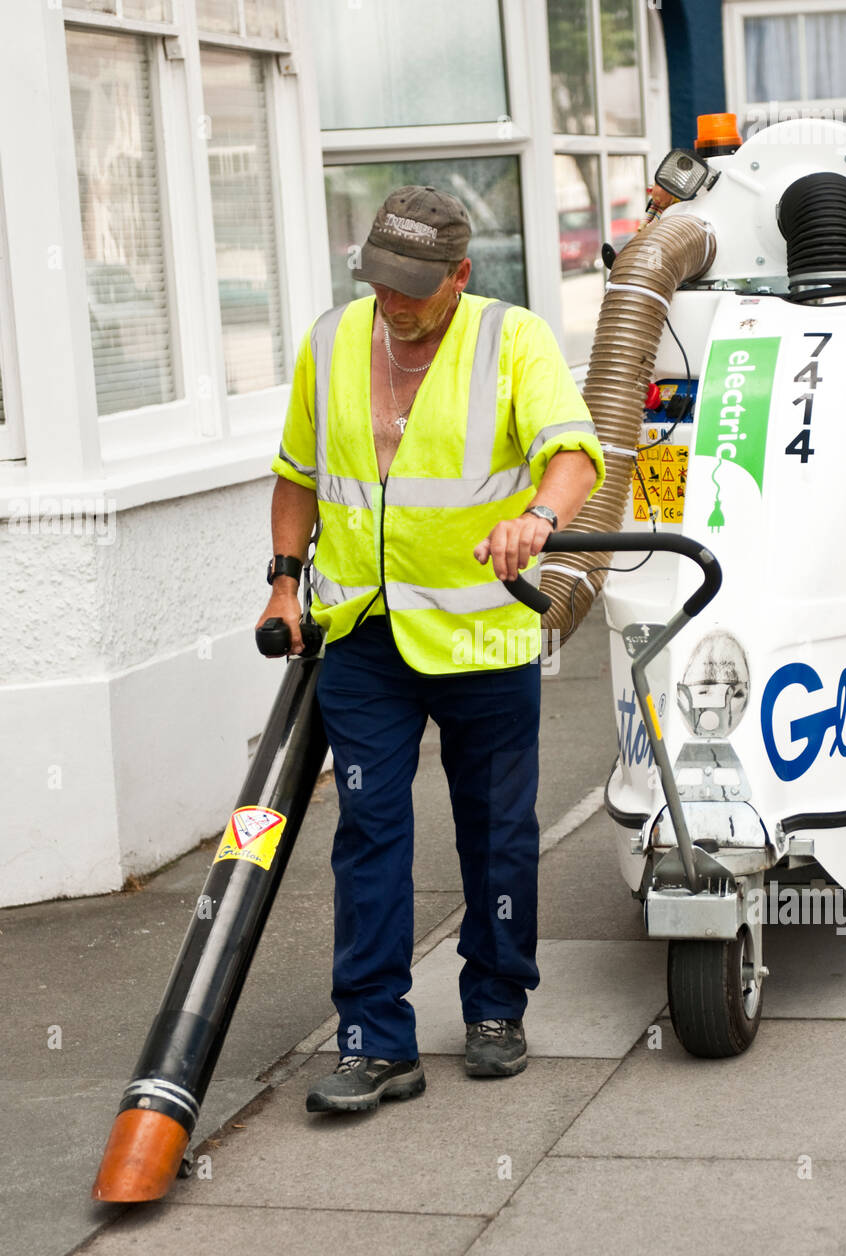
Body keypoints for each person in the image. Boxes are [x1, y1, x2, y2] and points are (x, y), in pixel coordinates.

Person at [257, 186, 604, 1114]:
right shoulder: (332, 341)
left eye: (415, 284)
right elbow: (297, 474)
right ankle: (375, 1039)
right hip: (364, 631)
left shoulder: (512, 338)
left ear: (460, 274)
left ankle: (494, 1007)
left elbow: (572, 452)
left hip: (480, 628)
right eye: (380, 279)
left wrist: (536, 518)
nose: (394, 301)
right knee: (369, 829)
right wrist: (285, 582)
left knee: (495, 831)